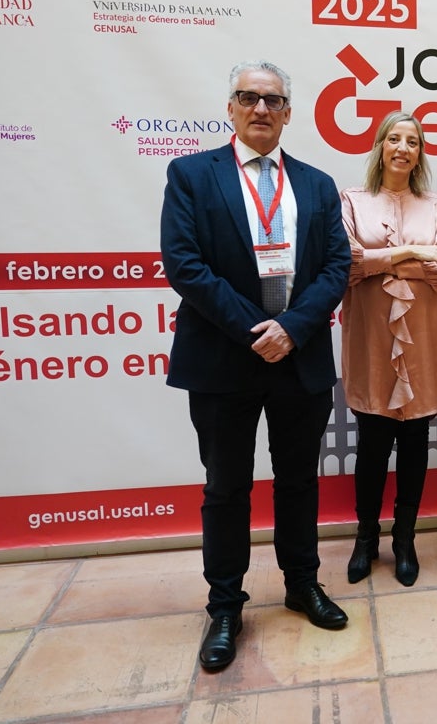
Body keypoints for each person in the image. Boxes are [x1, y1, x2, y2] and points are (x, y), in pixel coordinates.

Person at [160, 60, 352, 672]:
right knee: (226, 486)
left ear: (288, 113)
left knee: (299, 479)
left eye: (273, 100)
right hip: (225, 358)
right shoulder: (191, 174)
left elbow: (336, 267)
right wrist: (256, 332)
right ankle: (224, 606)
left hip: (299, 357)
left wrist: (292, 330)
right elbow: (185, 265)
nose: (261, 109)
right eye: (249, 98)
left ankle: (302, 584)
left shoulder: (319, 185)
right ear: (232, 107)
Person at [339, 111, 437, 587]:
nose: (403, 147)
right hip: (371, 340)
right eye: (395, 138)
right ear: (381, 146)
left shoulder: (435, 205)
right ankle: (365, 537)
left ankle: (405, 537)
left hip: (422, 343)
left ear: (420, 153)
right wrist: (413, 254)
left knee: (414, 445)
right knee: (371, 445)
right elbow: (346, 262)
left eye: (413, 141)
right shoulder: (351, 200)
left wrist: (381, 263)